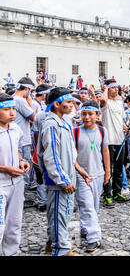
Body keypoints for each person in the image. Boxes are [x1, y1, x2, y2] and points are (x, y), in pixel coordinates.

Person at [36, 88, 81, 256]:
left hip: (68, 175)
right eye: (68, 102)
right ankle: (60, 249)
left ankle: (54, 241)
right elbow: (51, 157)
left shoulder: (64, 122)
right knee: (58, 214)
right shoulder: (51, 125)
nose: (72, 105)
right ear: (56, 104)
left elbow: (70, 151)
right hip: (58, 181)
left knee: (65, 213)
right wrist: (62, 179)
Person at [73, 100, 111, 252]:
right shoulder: (75, 132)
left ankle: (85, 227)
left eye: (90, 114)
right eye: (84, 114)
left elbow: (105, 151)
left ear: (97, 115)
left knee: (94, 205)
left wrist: (108, 172)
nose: (87, 117)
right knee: (87, 204)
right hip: (81, 175)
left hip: (98, 173)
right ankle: (94, 238)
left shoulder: (102, 131)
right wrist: (79, 171)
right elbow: (72, 155)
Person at [0, 93, 31, 255]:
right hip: (1, 184)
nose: (12, 113)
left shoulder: (16, 129)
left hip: (16, 183)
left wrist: (21, 161)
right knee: (0, 226)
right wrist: (5, 168)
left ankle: (11, 252)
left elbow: (18, 150)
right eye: (6, 109)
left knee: (14, 222)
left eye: (13, 109)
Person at [99, 79, 130, 206]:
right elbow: (103, 100)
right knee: (108, 169)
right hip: (108, 140)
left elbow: (120, 119)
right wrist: (105, 88)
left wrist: (125, 128)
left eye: (117, 87)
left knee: (118, 168)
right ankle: (107, 195)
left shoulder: (119, 102)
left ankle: (117, 192)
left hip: (120, 139)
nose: (116, 89)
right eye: (112, 88)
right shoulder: (105, 103)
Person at [13, 77, 36, 193]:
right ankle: (21, 196)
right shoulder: (20, 101)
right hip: (23, 140)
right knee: (24, 167)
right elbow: (34, 117)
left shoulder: (12, 98)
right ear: (27, 89)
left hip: (15, 139)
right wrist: (30, 102)